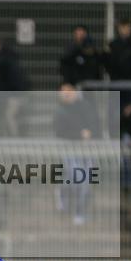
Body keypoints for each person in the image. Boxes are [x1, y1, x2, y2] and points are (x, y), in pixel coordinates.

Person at [53, 84, 100, 225]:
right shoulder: (60, 111)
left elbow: (94, 125)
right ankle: (62, 193)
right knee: (75, 177)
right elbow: (60, 132)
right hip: (70, 149)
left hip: (87, 150)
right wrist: (79, 134)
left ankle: (80, 212)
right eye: (64, 93)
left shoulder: (86, 106)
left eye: (69, 92)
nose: (67, 95)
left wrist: (90, 133)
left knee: (86, 181)